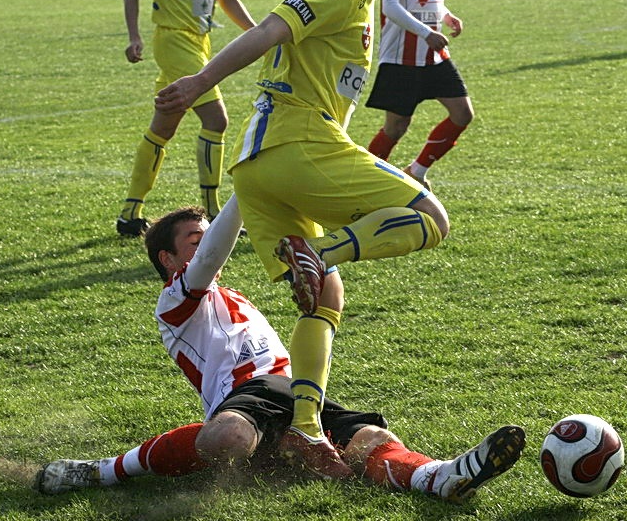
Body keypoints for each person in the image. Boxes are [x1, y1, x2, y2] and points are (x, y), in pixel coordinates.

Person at [154, 0, 451, 481]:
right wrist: (199, 82)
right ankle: (323, 254)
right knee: (429, 216)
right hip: (295, 145)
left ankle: (307, 427)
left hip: (263, 168)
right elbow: (268, 30)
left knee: (322, 296)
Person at [33, 201, 526, 499]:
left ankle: (438, 478)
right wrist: (248, 185)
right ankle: (100, 471)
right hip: (248, 396)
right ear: (168, 258)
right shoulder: (174, 302)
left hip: (297, 393)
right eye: (193, 240)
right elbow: (207, 261)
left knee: (371, 439)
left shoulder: (234, 297)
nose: (208, 246)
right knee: (224, 440)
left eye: (206, 237)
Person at [116, 0, 256, 238]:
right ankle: (214, 213)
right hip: (173, 41)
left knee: (163, 127)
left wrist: (258, 33)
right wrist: (134, 36)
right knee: (216, 120)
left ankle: (129, 214)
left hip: (200, 42)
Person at [365, 0, 472, 190]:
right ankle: (365, 182)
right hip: (402, 58)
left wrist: (445, 15)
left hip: (432, 55)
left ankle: (417, 171)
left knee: (462, 113)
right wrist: (426, 33)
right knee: (395, 128)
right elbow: (390, 7)